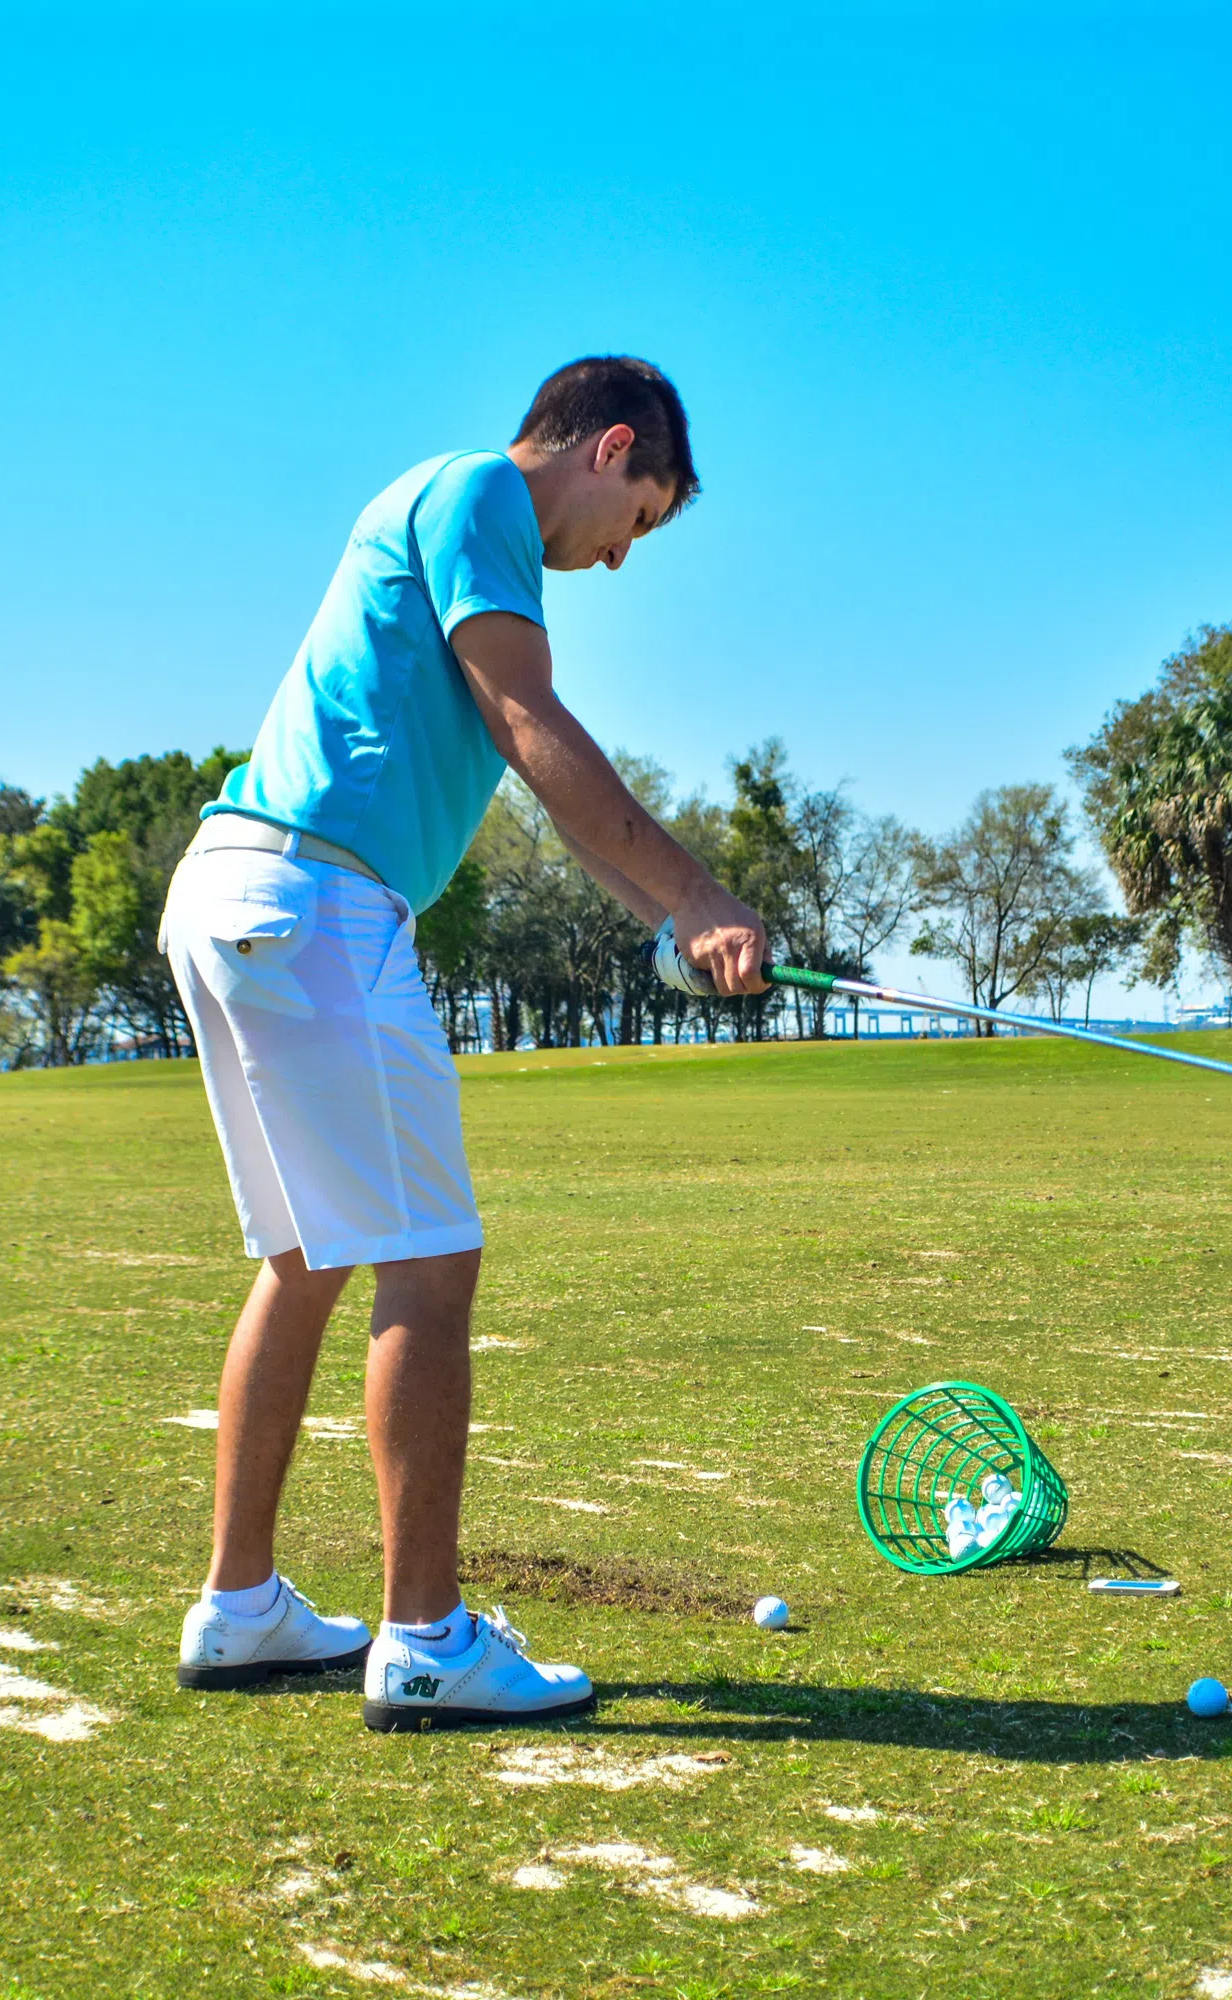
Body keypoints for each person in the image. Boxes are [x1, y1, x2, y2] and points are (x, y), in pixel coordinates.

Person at [160, 356, 769, 1730]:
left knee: (310, 1258)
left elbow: (551, 794)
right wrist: (702, 896)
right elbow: (530, 721)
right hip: (317, 903)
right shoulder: (486, 497)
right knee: (430, 1263)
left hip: (232, 891)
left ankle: (241, 1607)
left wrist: (676, 923)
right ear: (613, 449)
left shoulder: (444, 517)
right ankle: (426, 1639)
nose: (620, 560)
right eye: (642, 519)